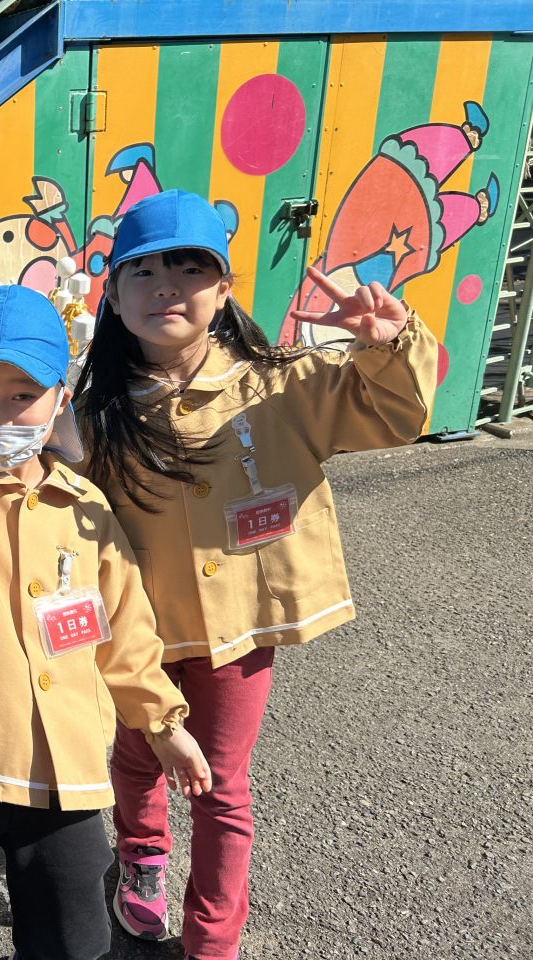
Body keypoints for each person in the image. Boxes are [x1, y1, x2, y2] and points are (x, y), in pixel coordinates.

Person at [73, 189, 439, 960]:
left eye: (190, 268)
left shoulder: (282, 383)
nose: (166, 287)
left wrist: (389, 346)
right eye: (142, 270)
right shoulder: (93, 410)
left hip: (240, 633)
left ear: (225, 289)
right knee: (136, 756)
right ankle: (142, 854)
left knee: (221, 783)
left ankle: (213, 938)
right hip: (139, 635)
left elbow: (394, 414)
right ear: (113, 293)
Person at [0, 284, 212, 960]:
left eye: (22, 394)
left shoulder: (85, 505)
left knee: (73, 933)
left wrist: (163, 722)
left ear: (61, 398)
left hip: (65, 763)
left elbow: (125, 630)